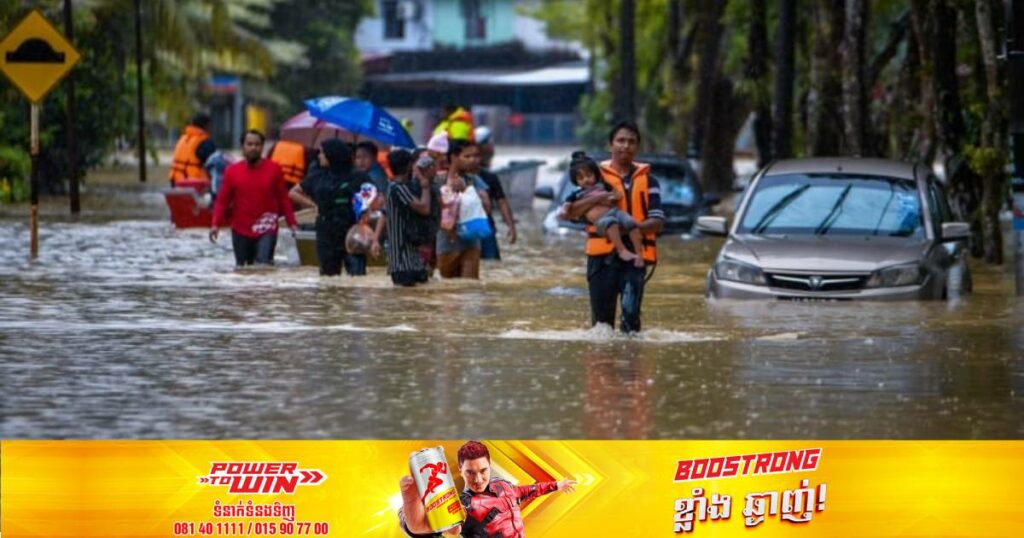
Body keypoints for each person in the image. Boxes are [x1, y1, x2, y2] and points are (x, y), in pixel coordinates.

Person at [559, 120, 664, 333]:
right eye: (620, 141)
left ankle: (631, 364)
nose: (625, 146)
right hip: (601, 260)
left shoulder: (650, 181)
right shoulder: (591, 177)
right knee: (601, 325)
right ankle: (603, 365)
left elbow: (657, 222)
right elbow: (571, 213)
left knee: (631, 318)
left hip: (635, 257)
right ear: (611, 145)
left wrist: (624, 228)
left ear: (637, 147)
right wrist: (601, 199)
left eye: (631, 142)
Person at [397, 441, 577, 538]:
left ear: (489, 465)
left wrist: (556, 485)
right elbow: (420, 527)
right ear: (460, 471)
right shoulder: (462, 506)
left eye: (483, 471)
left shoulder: (503, 486)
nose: (477, 479)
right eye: (469, 473)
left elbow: (527, 490)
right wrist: (410, 506)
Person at [210, 130, 297, 266]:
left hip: (267, 227)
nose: (253, 148)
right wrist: (215, 225)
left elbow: (283, 199)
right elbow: (222, 201)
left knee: (263, 265)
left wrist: (292, 223)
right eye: (249, 144)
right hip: (240, 228)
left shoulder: (274, 170)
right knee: (243, 268)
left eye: (257, 144)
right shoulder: (232, 172)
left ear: (262, 147)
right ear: (243, 147)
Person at [288, 139, 360, 276]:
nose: (319, 156)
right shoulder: (317, 176)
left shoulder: (355, 176)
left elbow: (374, 195)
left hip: (350, 230)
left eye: (322, 153)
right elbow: (293, 192)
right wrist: (314, 205)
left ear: (331, 155)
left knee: (356, 274)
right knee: (328, 274)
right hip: (326, 232)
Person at [566, 151, 645, 268]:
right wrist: (597, 200)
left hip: (615, 212)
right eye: (581, 178)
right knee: (611, 223)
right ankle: (622, 250)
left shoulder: (603, 186)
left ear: (595, 174)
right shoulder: (577, 194)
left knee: (630, 222)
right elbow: (568, 207)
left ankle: (639, 255)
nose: (586, 180)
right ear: (575, 181)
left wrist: (613, 197)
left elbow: (616, 195)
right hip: (602, 220)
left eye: (589, 175)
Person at [371, 149, 433, 286]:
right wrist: (425, 185)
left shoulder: (395, 187)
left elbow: (385, 213)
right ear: (408, 166)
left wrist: (376, 239)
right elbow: (424, 208)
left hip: (411, 258)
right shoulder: (398, 188)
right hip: (402, 262)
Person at [437, 140, 492, 279]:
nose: (473, 160)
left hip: (471, 240)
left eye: (476, 156)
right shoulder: (437, 180)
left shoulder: (474, 180)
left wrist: (467, 190)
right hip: (446, 241)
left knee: (469, 287)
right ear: (454, 157)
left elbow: (487, 208)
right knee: (449, 292)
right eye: (467, 157)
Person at [473, 126, 516, 260]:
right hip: (465, 230)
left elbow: (501, 201)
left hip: (486, 229)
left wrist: (511, 226)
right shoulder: (457, 177)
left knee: (491, 264)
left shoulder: (489, 177)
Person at [168, 112, 217, 187]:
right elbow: (216, 162)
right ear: (206, 126)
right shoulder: (204, 143)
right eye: (210, 125)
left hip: (175, 183)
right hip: (193, 185)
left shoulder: (183, 139)